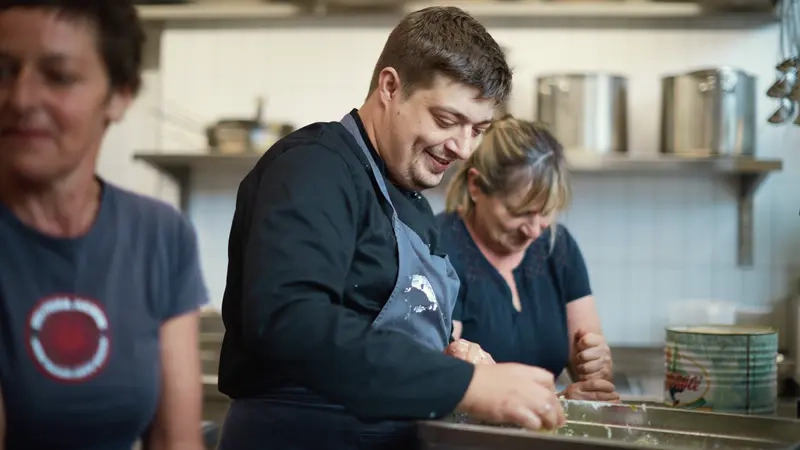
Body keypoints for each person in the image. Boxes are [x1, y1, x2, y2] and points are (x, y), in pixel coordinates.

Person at [216, 7, 566, 450]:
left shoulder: (412, 201)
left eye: (478, 129)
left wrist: (453, 353)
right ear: (390, 86)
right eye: (445, 120)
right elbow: (292, 321)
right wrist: (463, 384)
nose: (463, 148)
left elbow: (387, 331)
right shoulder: (313, 168)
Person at [0, 2, 208, 449]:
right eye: (2, 71)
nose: (19, 98)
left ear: (120, 95)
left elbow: (176, 439)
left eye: (58, 76)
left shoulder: (161, 235)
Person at [436, 116, 619, 402]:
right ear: (476, 186)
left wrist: (598, 365)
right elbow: (444, 381)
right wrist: (557, 402)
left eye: (545, 211)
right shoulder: (439, 249)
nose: (534, 230)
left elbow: (595, 377)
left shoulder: (558, 247)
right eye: (519, 212)